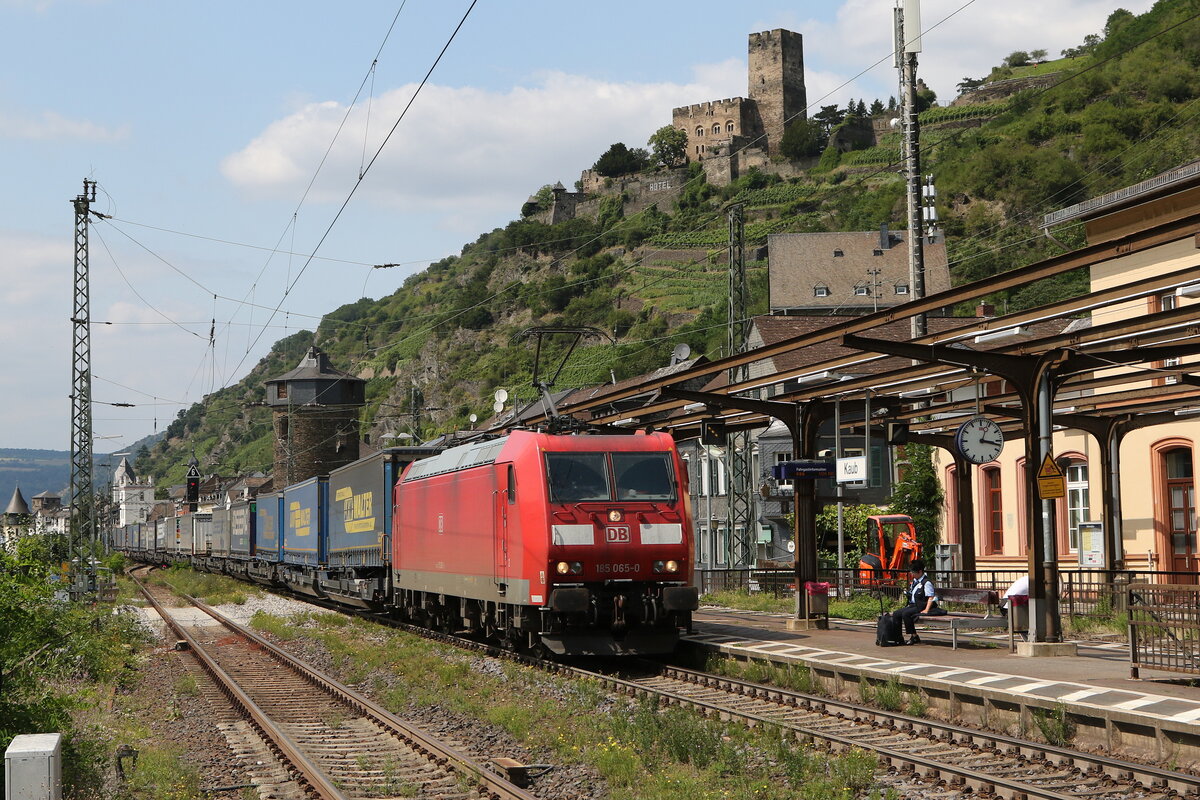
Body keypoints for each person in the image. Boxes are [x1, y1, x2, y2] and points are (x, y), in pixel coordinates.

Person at [893, 559, 938, 645]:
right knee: (896, 613)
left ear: (920, 572)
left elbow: (931, 597)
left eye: (913, 572)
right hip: (913, 605)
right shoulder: (915, 582)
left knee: (906, 614)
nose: (912, 574)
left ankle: (914, 636)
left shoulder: (926, 582)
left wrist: (926, 610)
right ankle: (898, 637)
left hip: (922, 605)